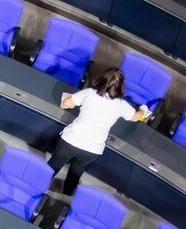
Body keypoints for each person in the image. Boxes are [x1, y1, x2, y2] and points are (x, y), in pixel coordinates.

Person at [48, 68, 148, 196]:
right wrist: (143, 109)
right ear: (120, 87)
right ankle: (67, 192)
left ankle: (40, 183)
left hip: (70, 140)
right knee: (77, 171)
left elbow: (66, 104)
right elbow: (135, 117)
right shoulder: (122, 105)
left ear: (101, 79)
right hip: (93, 149)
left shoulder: (89, 93)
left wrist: (67, 100)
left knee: (54, 165)